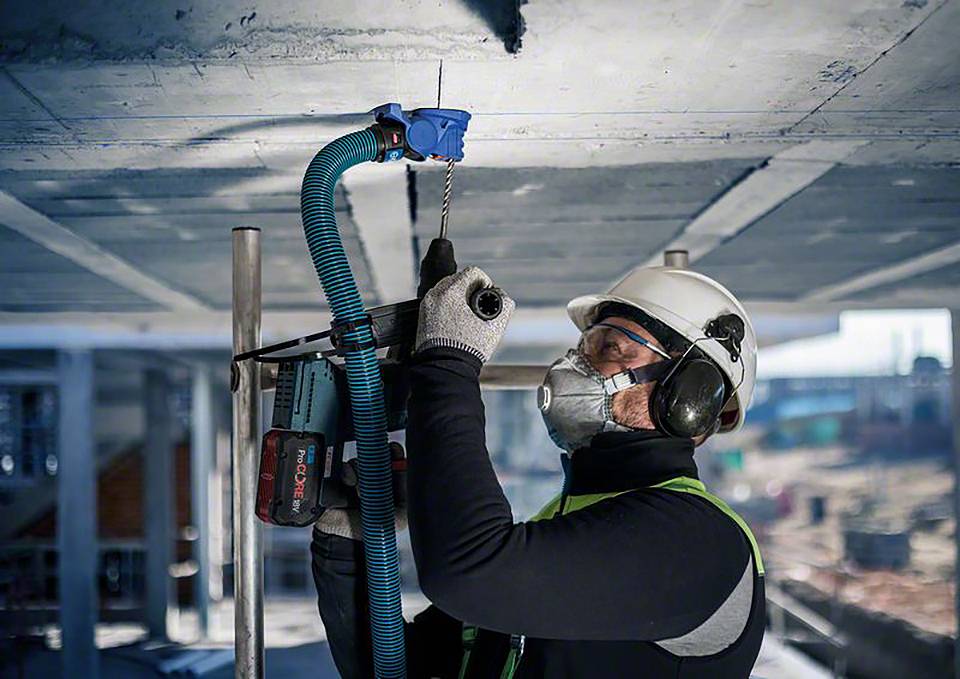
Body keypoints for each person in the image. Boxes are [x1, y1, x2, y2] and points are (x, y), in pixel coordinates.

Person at [312, 263, 765, 678]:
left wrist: (448, 363)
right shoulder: (564, 526)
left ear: (690, 399)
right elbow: (396, 664)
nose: (577, 366)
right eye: (585, 346)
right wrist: (346, 544)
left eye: (610, 349)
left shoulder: (698, 540)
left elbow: (469, 573)